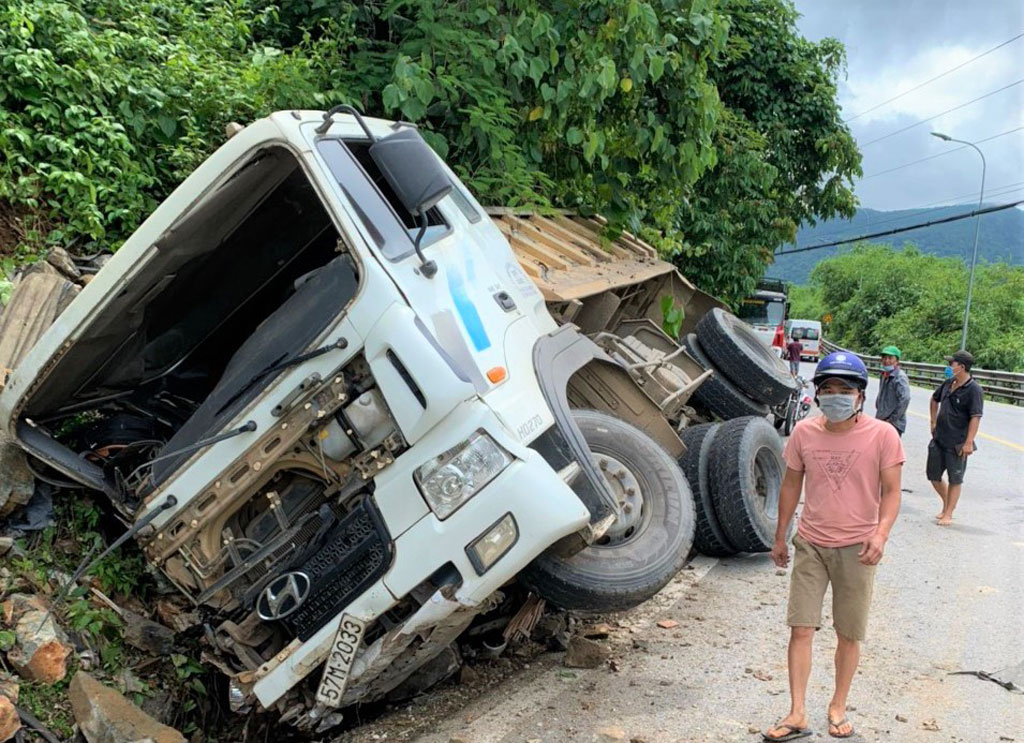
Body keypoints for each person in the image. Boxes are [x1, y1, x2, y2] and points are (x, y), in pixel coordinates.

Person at [763, 352, 904, 742]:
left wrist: (881, 533)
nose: (837, 396)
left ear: (861, 396)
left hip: (857, 548)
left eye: (846, 389)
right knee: (801, 628)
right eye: (829, 389)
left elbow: (892, 494)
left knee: (848, 633)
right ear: (818, 394)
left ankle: (838, 706)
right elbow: (791, 485)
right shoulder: (806, 434)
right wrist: (780, 534)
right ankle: (796, 712)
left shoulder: (882, 436)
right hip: (811, 542)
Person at [928, 349, 983, 526]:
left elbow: (975, 416)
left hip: (958, 442)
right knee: (933, 475)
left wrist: (968, 442)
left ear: (962, 366)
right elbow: (934, 399)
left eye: (952, 364)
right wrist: (933, 422)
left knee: (955, 478)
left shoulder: (973, 390)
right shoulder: (948, 383)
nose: (949, 367)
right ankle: (947, 503)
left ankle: (949, 513)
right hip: (939, 438)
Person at [874, 345, 911, 436]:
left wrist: (892, 419)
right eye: (884, 358)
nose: (886, 361)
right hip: (881, 420)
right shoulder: (884, 375)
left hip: (893, 423)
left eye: (890, 358)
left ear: (897, 361)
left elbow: (905, 399)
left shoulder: (900, 377)